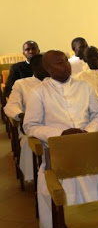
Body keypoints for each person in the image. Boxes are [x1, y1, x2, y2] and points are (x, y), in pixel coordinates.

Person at [24, 50, 98, 228]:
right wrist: (61, 134)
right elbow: (30, 125)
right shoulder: (38, 92)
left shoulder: (84, 86)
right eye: (59, 62)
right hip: (59, 148)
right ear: (48, 68)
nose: (66, 65)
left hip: (87, 142)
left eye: (66, 60)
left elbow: (97, 115)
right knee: (71, 177)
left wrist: (86, 132)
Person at [3, 54, 48, 182]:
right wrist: (21, 115)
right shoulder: (22, 84)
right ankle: (40, 177)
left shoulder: (57, 82)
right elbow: (10, 106)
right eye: (45, 65)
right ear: (34, 67)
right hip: (31, 125)